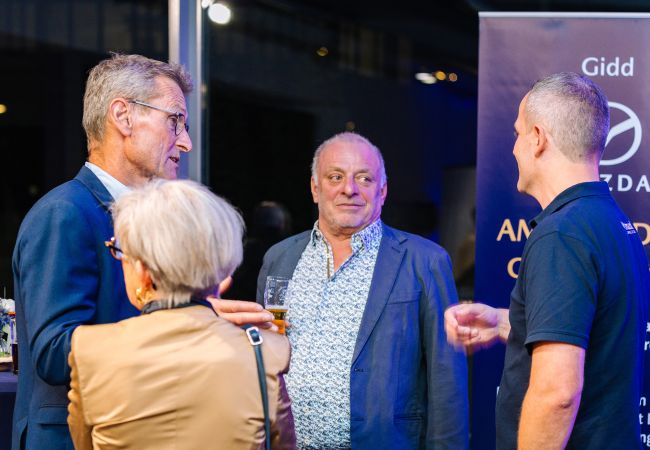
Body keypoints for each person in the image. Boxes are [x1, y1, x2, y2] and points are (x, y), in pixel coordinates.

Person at [11, 53, 270, 450]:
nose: (185, 142)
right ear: (123, 116)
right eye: (175, 121)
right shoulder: (64, 213)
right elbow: (55, 352)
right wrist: (190, 320)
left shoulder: (149, 221)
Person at [445, 72, 649, 449]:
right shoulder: (611, 221)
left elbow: (557, 393)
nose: (513, 148)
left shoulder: (562, 234)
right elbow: (591, 330)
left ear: (538, 138)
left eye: (518, 133)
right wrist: (505, 322)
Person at [257, 132, 469, 449]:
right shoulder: (279, 259)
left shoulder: (424, 262)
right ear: (315, 188)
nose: (349, 189)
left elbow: (446, 378)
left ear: (382, 191)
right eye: (335, 177)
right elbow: (263, 359)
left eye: (364, 178)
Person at [66, 179, 295, 450]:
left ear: (142, 270)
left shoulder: (90, 349)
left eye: (121, 252)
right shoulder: (267, 353)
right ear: (223, 271)